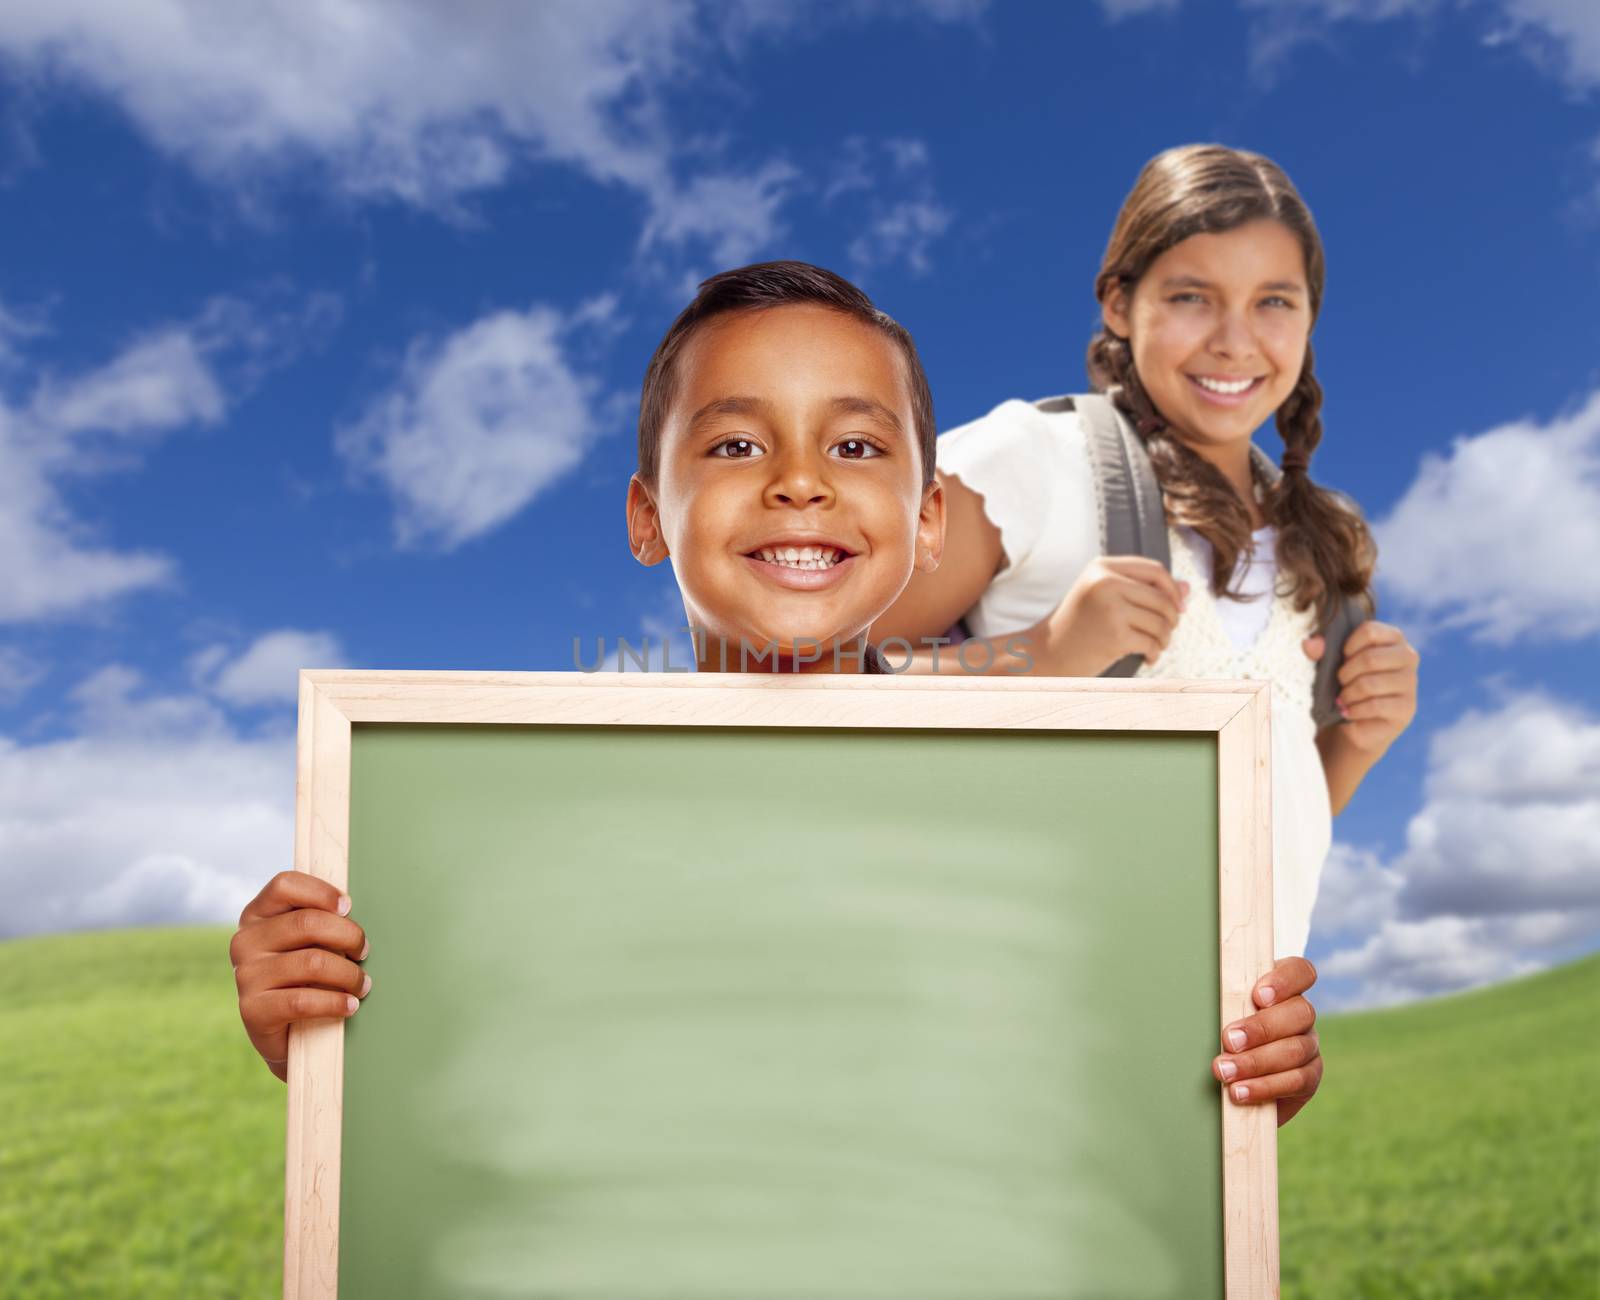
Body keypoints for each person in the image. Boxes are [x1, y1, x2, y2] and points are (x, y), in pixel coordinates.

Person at [231, 258, 1322, 1124]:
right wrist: (323, 1039)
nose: (799, 480)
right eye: (737, 442)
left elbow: (1114, 1086)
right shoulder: (518, 818)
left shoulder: (1057, 819)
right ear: (647, 516)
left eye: (853, 443)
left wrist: (1245, 1075)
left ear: (930, 518)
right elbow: (485, 1090)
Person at [873, 146, 1421, 1120]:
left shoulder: (1325, 544)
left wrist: (1356, 744)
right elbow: (816, 677)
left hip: (1193, 1089)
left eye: (1274, 301)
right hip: (992, 1047)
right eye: (1190, 296)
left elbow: (1280, 823)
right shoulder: (1033, 460)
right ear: (1118, 304)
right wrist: (1045, 656)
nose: (1234, 340)